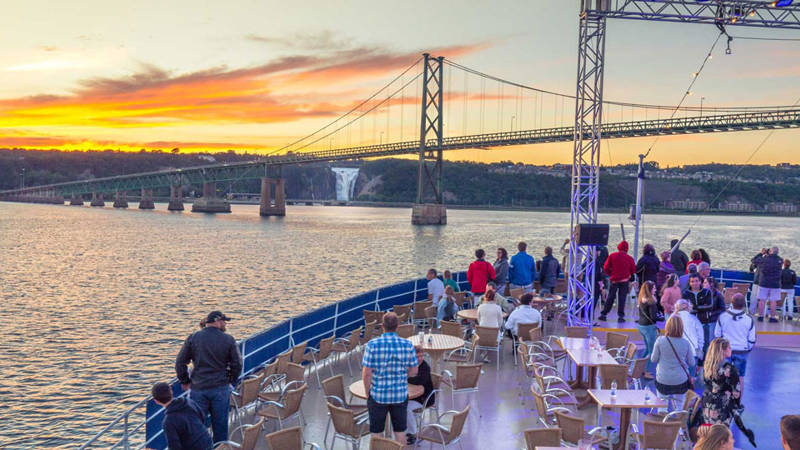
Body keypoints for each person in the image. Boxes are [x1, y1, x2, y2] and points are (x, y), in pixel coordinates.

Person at [175, 311, 242, 444]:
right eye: (224, 322)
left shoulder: (193, 338)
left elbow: (180, 362)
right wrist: (230, 379)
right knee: (220, 426)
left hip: (198, 389)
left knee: (197, 425)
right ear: (218, 321)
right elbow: (237, 364)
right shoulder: (228, 339)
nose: (225, 324)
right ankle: (219, 447)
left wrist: (185, 381)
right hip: (220, 389)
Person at [361, 312, 418, 444]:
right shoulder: (407, 345)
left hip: (378, 395)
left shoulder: (372, 344)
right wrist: (403, 376)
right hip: (400, 395)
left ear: (382, 326)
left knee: (376, 433)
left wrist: (367, 393)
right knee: (400, 432)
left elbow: (367, 373)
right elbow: (414, 371)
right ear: (397, 326)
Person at [651, 316, 695, 412]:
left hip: (663, 379)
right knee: (679, 407)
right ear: (681, 328)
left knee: (662, 407)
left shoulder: (660, 340)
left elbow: (653, 359)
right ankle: (678, 425)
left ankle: (662, 423)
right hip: (680, 381)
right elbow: (692, 363)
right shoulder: (686, 343)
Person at [151, 382, 213, 450]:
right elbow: (202, 417)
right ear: (171, 391)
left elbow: (174, 447)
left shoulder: (168, 421)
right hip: (207, 442)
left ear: (156, 401)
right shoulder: (188, 401)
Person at [714, 293, 756, 387]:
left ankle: (722, 400)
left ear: (732, 303)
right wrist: (747, 349)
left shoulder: (723, 316)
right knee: (740, 377)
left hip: (725, 350)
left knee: (722, 376)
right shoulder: (749, 319)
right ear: (744, 304)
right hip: (742, 351)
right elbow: (752, 339)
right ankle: (738, 401)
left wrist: (721, 348)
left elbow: (717, 335)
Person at [701, 338, 742, 426]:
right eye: (729, 348)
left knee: (710, 432)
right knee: (721, 434)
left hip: (707, 404)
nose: (731, 349)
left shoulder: (707, 365)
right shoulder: (729, 368)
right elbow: (736, 392)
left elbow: (705, 382)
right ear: (722, 350)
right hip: (722, 406)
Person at [600, 241, 637, 322]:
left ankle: (604, 314)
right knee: (622, 298)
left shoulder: (612, 256)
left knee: (610, 297)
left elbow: (605, 267)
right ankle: (621, 317)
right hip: (624, 281)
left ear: (619, 247)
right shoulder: (630, 258)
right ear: (627, 248)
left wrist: (611, 274)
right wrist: (628, 274)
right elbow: (633, 270)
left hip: (614, 280)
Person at [405, 345, 434, 445]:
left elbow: (419, 381)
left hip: (423, 398)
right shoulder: (409, 364)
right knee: (396, 404)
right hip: (412, 395)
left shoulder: (425, 367)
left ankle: (412, 433)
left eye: (421, 356)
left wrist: (406, 378)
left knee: (405, 407)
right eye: (417, 356)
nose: (420, 358)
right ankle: (403, 428)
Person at [675, 299, 704, 372]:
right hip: (693, 350)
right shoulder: (694, 319)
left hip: (678, 352)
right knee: (691, 375)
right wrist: (700, 348)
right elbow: (701, 335)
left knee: (681, 375)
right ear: (688, 307)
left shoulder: (673, 319)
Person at [637, 281, 659, 375]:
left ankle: (639, 367)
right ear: (649, 290)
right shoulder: (651, 301)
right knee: (651, 350)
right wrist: (660, 318)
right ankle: (646, 371)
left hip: (641, 326)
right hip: (649, 327)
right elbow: (653, 317)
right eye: (654, 288)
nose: (655, 290)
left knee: (647, 348)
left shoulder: (642, 299)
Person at [757, 246, 784, 323]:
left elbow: (754, 260)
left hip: (764, 283)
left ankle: (760, 316)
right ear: (777, 252)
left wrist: (761, 254)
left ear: (770, 251)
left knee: (762, 300)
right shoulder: (781, 260)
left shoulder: (765, 259)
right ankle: (772, 317)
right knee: (773, 301)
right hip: (775, 284)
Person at [701, 276, 727, 357]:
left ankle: (710, 357)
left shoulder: (718, 295)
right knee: (703, 340)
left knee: (710, 340)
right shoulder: (702, 293)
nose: (703, 284)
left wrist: (713, 313)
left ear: (711, 284)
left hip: (712, 320)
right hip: (703, 320)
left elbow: (723, 309)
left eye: (705, 283)